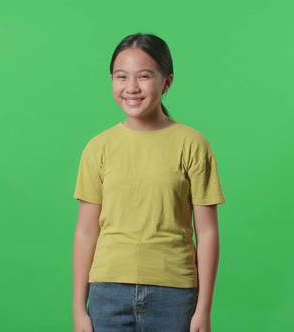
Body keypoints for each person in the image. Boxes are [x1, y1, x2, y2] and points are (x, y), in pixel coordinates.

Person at [72, 33, 225, 332]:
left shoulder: (192, 144)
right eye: (121, 77)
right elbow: (86, 231)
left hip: (174, 294)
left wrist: (203, 310)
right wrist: (79, 308)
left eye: (144, 76)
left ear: (166, 82)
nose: (131, 87)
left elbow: (206, 232)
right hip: (107, 292)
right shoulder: (98, 147)